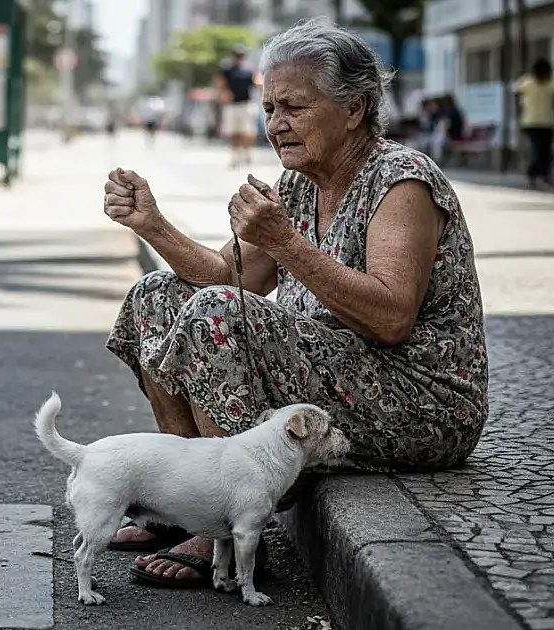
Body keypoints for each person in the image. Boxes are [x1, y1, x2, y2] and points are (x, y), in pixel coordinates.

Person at [102, 19, 487, 588]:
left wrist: (286, 242)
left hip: (418, 399)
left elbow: (390, 316)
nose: (276, 125)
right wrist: (152, 225)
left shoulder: (402, 181)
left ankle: (223, 528)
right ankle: (191, 501)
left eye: (294, 108)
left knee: (216, 315)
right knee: (154, 295)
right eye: (268, 109)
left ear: (354, 109)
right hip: (335, 375)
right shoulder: (299, 184)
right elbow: (230, 276)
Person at [215, 44, 262, 167]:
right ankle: (236, 156)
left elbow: (257, 82)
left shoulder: (250, 69)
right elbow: (220, 83)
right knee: (233, 132)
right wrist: (223, 94)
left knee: (248, 131)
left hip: (247, 104)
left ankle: (248, 154)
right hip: (232, 105)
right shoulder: (227, 69)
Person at [513, 58, 554, 189]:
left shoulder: (551, 84)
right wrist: (519, 110)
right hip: (530, 122)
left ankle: (543, 175)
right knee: (537, 150)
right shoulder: (527, 82)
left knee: (546, 151)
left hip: (547, 122)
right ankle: (533, 174)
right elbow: (516, 93)